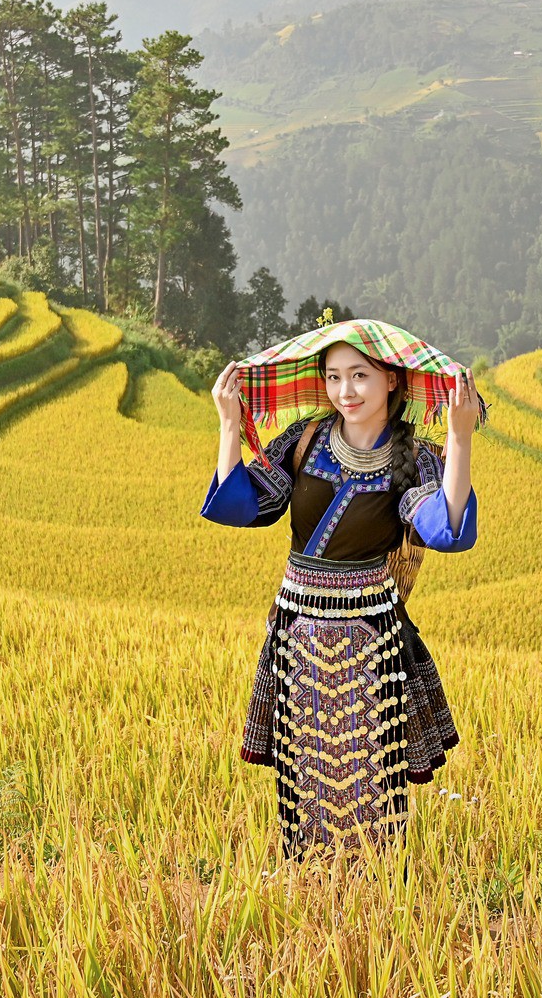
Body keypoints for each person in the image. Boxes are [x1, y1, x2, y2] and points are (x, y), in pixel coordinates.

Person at [201, 318, 484, 860]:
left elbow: (444, 526)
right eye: (333, 377)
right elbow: (244, 506)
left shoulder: (416, 460)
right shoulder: (304, 440)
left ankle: (374, 887)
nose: (344, 391)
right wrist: (229, 426)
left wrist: (459, 437)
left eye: (359, 376)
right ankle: (308, 877)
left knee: (371, 763)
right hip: (297, 628)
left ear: (393, 381)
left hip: (371, 635)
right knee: (302, 761)